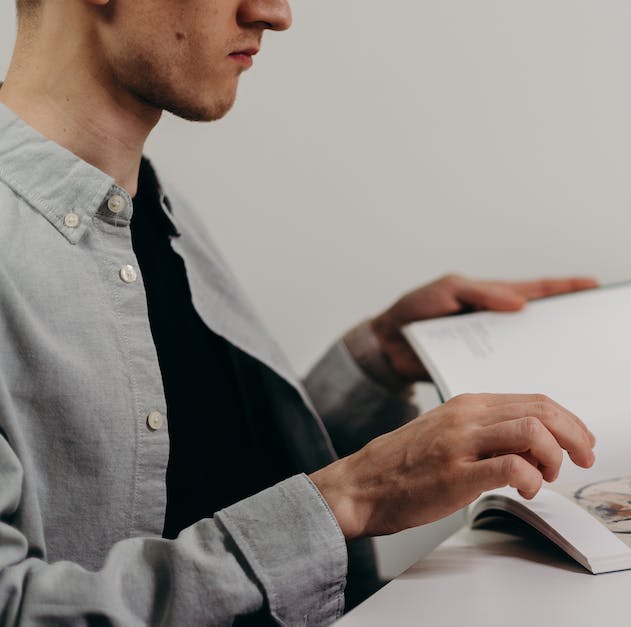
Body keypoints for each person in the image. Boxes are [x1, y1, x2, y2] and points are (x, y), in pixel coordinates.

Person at [0, 0, 599, 623]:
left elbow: (218, 492)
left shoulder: (147, 204)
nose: (275, 13)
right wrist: (354, 494)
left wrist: (376, 365)